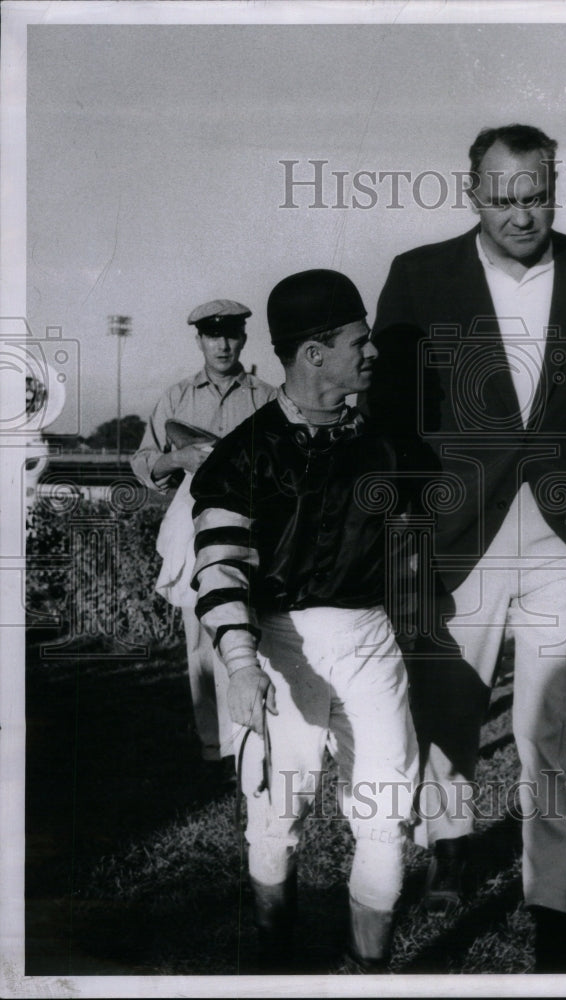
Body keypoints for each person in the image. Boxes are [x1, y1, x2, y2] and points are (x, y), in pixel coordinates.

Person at [368, 123, 566, 971]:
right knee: (446, 709)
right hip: (456, 538)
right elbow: (391, 423)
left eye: (534, 194)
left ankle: (556, 908)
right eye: (501, 197)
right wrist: (408, 534)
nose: (519, 213)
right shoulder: (418, 277)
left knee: (552, 731)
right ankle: (451, 842)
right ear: (472, 194)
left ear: (553, 189)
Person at [189, 270, 419, 971]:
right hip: (280, 646)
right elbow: (220, 566)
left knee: (385, 814)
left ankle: (368, 974)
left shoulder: (384, 444)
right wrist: (238, 664)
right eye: (359, 341)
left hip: (369, 639)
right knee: (276, 815)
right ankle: (275, 968)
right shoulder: (245, 454)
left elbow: (410, 547)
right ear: (314, 353)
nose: (372, 352)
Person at [131, 300, 275, 763]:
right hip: (193, 534)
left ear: (244, 338)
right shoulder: (176, 397)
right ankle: (216, 745)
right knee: (200, 638)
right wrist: (179, 459)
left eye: (231, 334)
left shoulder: (268, 397)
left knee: (255, 632)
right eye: (213, 336)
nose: (223, 344)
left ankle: (257, 742)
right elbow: (144, 459)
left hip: (255, 532)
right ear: (199, 340)